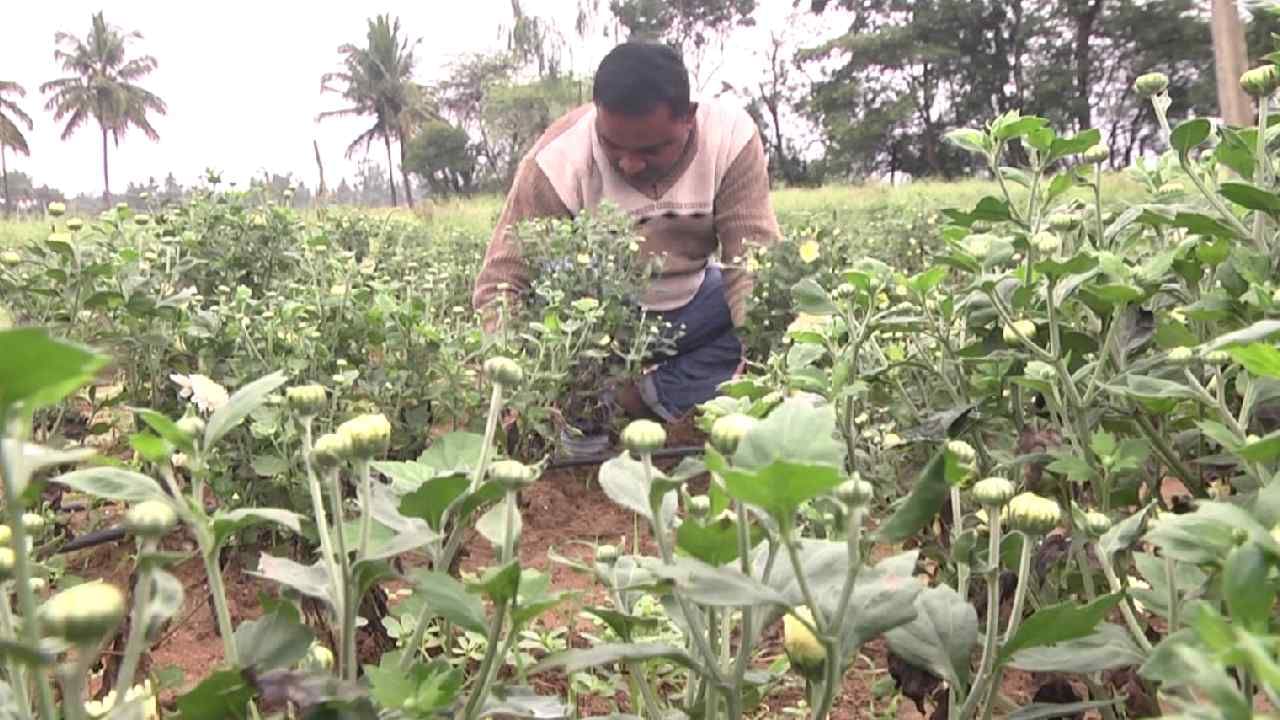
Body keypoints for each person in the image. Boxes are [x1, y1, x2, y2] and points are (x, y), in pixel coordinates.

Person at [472, 41, 780, 422]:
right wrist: (516, 380)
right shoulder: (556, 161)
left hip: (691, 306)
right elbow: (501, 285)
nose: (630, 164)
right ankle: (588, 404)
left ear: (688, 118)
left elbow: (752, 265)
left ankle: (642, 398)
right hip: (593, 329)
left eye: (651, 150)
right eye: (613, 145)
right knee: (550, 311)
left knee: (771, 308)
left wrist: (761, 373)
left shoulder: (731, 140)